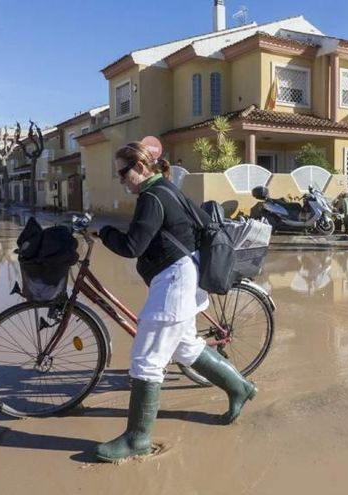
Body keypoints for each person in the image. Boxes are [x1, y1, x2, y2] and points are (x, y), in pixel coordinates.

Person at [94, 140, 257, 463]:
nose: (121, 180)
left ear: (141, 168)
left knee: (146, 359)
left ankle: (138, 438)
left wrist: (103, 231)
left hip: (174, 284)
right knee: (186, 348)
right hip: (187, 275)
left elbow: (132, 246)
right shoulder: (167, 189)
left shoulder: (152, 196)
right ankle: (239, 387)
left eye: (123, 173)